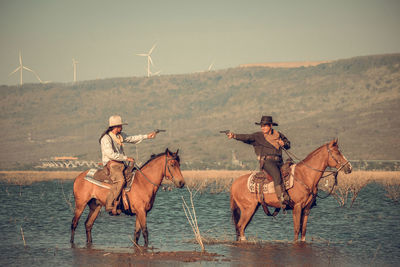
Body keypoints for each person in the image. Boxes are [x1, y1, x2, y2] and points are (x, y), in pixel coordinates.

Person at [226, 115, 291, 208]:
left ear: (271, 126)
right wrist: (234, 136)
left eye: (265, 125)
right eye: (262, 126)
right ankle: (282, 199)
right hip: (267, 162)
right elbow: (246, 137)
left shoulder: (279, 135)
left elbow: (288, 145)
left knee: (291, 173)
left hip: (279, 161)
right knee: (277, 176)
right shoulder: (258, 136)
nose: (263, 127)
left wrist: (284, 143)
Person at [99, 115, 157, 215]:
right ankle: (110, 204)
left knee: (135, 176)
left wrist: (146, 136)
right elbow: (110, 154)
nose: (122, 128)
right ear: (115, 127)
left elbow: (132, 138)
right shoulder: (106, 138)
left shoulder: (120, 136)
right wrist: (126, 158)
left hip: (121, 164)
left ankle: (126, 203)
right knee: (121, 180)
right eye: (120, 126)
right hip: (111, 164)